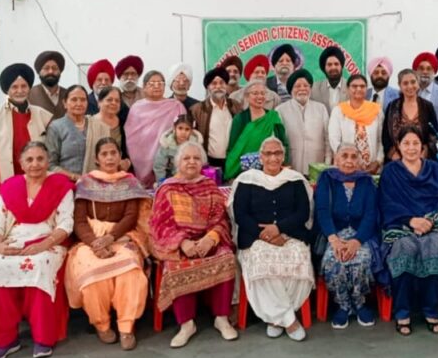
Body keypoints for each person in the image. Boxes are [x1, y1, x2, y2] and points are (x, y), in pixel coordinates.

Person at [0, 142, 73, 358]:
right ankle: (6, 340)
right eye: (29, 159)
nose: (35, 164)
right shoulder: (10, 187)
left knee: (40, 264)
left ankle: (43, 338)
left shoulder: (61, 186)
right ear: (21, 163)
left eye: (40, 159)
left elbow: (66, 222)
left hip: (49, 242)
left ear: (48, 161)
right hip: (14, 241)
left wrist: (45, 244)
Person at [66, 138, 152, 351]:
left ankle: (126, 326)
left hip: (122, 237)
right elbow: (79, 221)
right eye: (104, 154)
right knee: (92, 275)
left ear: (120, 156)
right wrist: (95, 243)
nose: (110, 158)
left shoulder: (130, 182)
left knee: (131, 272)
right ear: (97, 159)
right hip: (90, 240)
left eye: (113, 153)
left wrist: (110, 238)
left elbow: (131, 216)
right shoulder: (85, 183)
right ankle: (102, 324)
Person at [151, 142, 239, 347]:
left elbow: (221, 219)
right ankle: (187, 324)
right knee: (176, 265)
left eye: (196, 158)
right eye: (186, 158)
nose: (191, 162)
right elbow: (160, 225)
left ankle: (221, 318)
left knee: (226, 257)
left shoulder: (209, 186)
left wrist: (211, 238)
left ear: (202, 162)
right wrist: (182, 242)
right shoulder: (167, 188)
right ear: (178, 162)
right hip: (179, 245)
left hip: (208, 241)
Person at [230, 137, 315, 341]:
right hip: (256, 238)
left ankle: (275, 318)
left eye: (277, 153)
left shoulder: (295, 180)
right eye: (268, 154)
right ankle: (289, 320)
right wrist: (266, 236)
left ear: (283, 156)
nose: (273, 158)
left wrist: (279, 229)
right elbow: (241, 215)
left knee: (298, 255)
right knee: (261, 259)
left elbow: (303, 213)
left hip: (290, 234)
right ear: (261, 157)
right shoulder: (247, 180)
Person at [380, 125, 438, 336]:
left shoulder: (436, 170)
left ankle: (431, 309)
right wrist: (411, 220)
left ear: (423, 147)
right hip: (401, 227)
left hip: (435, 226)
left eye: (416, 143)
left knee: (436, 247)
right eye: (406, 143)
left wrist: (428, 222)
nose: (411, 148)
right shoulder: (390, 172)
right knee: (404, 248)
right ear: (398, 146)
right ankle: (402, 311)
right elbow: (387, 203)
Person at [314, 144, 382, 329]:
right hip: (334, 234)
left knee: (361, 259)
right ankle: (343, 304)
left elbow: (371, 214)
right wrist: (334, 240)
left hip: (361, 235)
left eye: (354, 156)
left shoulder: (366, 181)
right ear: (336, 159)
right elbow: (322, 211)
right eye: (344, 156)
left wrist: (357, 241)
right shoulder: (327, 178)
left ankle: (359, 303)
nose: (349, 161)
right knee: (334, 260)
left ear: (359, 160)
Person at [0, 63, 54, 196]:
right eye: (14, 87)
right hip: (5, 185)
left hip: (38, 184)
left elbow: (51, 153)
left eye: (24, 86)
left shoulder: (43, 115)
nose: (20, 91)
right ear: (7, 90)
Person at [123, 70, 187, 187]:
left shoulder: (176, 106)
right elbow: (131, 137)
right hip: (142, 159)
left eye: (160, 83)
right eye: (152, 83)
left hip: (170, 160)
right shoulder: (137, 108)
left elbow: (185, 132)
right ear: (144, 87)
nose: (157, 86)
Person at [224, 81, 288, 180]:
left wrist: (283, 163)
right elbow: (233, 148)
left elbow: (282, 143)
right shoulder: (240, 119)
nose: (260, 96)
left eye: (263, 93)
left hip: (270, 169)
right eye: (255, 93)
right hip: (244, 171)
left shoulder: (273, 117)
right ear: (247, 96)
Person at [328, 74, 385, 175]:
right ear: (347, 89)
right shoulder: (339, 110)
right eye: (354, 86)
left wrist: (377, 162)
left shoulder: (376, 110)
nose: (358, 89)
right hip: (346, 167)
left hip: (372, 168)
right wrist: (348, 161)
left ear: (366, 89)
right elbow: (334, 139)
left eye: (362, 86)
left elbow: (382, 140)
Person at [277, 68, 330, 175]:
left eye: (306, 86)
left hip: (317, 165)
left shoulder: (321, 108)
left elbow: (327, 138)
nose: (302, 89)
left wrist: (327, 162)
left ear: (310, 88)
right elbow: (278, 140)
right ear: (291, 89)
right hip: (291, 166)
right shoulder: (280, 110)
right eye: (297, 86)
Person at [191, 67, 242, 169]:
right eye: (214, 83)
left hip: (234, 160)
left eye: (222, 83)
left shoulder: (235, 106)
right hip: (209, 163)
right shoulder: (197, 109)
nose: (218, 86)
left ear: (226, 85)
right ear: (208, 87)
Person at [383, 69, 438, 161]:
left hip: (422, 159)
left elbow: (434, 134)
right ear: (400, 86)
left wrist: (425, 152)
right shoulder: (392, 107)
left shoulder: (427, 106)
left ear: (418, 83)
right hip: (397, 159)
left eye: (413, 82)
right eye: (405, 83)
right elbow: (385, 136)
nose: (410, 86)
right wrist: (392, 154)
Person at [44, 85, 90, 182]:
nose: (79, 103)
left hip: (94, 183)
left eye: (83, 100)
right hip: (66, 183)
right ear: (65, 103)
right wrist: (74, 177)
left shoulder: (95, 125)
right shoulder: (56, 127)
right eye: (74, 99)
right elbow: (50, 164)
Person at [84, 86, 131, 175]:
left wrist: (127, 162)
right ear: (99, 102)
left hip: (117, 174)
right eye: (109, 100)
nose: (113, 103)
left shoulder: (124, 123)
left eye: (117, 101)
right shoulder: (88, 123)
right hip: (92, 174)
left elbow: (128, 151)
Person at [153, 114, 203, 182]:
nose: (183, 132)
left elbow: (200, 164)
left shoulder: (196, 145)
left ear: (191, 131)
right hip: (171, 178)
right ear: (174, 128)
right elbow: (159, 166)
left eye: (187, 129)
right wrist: (162, 182)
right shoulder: (167, 144)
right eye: (180, 128)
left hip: (191, 178)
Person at [85, 59, 127, 125]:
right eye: (99, 80)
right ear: (92, 82)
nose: (103, 83)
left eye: (107, 80)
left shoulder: (120, 104)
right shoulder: (84, 102)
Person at [28, 51, 69, 119]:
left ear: (60, 71)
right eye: (46, 68)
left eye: (55, 68)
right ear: (39, 72)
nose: (51, 71)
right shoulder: (29, 95)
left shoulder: (69, 95)